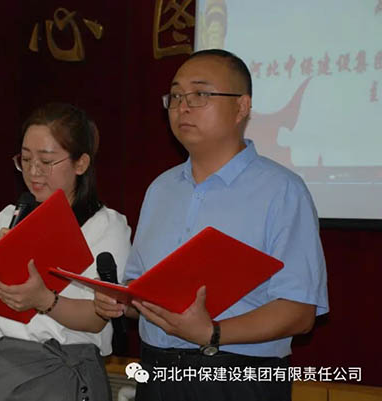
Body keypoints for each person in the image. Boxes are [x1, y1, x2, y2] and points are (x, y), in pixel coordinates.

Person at [94, 49, 329, 401]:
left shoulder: (282, 191)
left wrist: (212, 332)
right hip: (156, 373)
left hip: (237, 376)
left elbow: (299, 311)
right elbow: (138, 288)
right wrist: (119, 302)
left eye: (200, 94)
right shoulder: (161, 189)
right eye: (175, 96)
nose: (182, 107)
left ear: (241, 107)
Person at [0, 102, 131, 401]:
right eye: (25, 159)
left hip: (66, 368)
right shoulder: (10, 217)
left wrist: (43, 299)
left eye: (46, 161)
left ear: (81, 164)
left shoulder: (105, 225)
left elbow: (98, 317)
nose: (33, 171)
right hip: (8, 368)